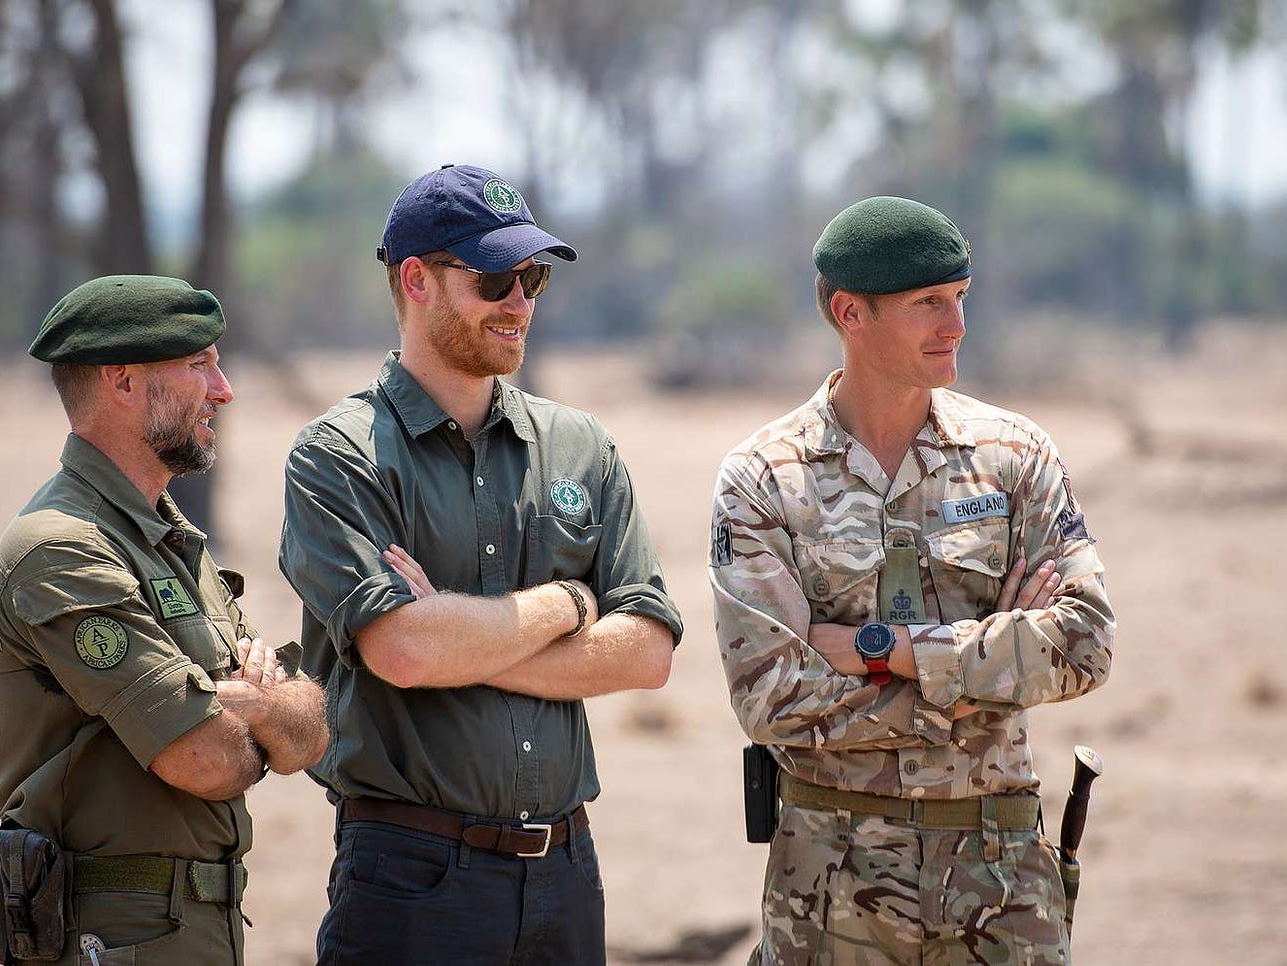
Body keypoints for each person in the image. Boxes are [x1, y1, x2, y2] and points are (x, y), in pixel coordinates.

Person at [280, 164, 684, 965]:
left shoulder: (582, 446)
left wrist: (466, 643)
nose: (521, 302)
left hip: (569, 875)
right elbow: (402, 650)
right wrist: (568, 605)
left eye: (532, 277)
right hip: (409, 877)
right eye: (496, 277)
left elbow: (648, 652)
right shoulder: (338, 454)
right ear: (416, 281)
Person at [709, 197, 1115, 966]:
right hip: (829, 879)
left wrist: (880, 650)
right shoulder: (764, 478)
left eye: (960, 297)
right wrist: (984, 682)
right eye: (928, 302)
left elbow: (1086, 643)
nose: (955, 323)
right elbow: (770, 697)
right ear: (849, 313)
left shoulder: (1014, 456)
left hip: (1002, 879)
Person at [0, 275, 328, 966]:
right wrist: (257, 704)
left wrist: (243, 703)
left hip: (195, 929)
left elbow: (311, 730)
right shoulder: (63, 549)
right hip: (108, 938)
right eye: (199, 365)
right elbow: (205, 758)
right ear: (123, 381)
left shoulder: (165, 536)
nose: (222, 390)